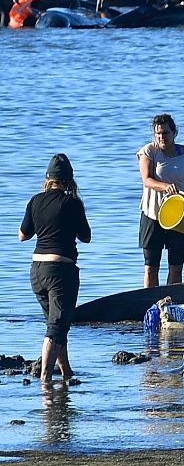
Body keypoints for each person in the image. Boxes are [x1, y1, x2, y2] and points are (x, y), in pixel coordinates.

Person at [18, 154, 91, 386]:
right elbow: (86, 237)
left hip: (36, 271)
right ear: (69, 180)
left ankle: (66, 371)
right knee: (56, 328)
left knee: (57, 324)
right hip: (61, 271)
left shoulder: (35, 201)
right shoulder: (72, 203)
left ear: (48, 179)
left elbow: (23, 235)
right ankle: (45, 380)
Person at [137, 114, 184, 288]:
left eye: (165, 133)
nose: (161, 137)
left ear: (174, 133)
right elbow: (147, 180)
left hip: (179, 216)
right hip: (153, 214)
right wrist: (165, 187)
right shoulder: (149, 151)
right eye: (158, 133)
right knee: (151, 267)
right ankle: (150, 300)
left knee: (176, 268)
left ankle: (171, 300)